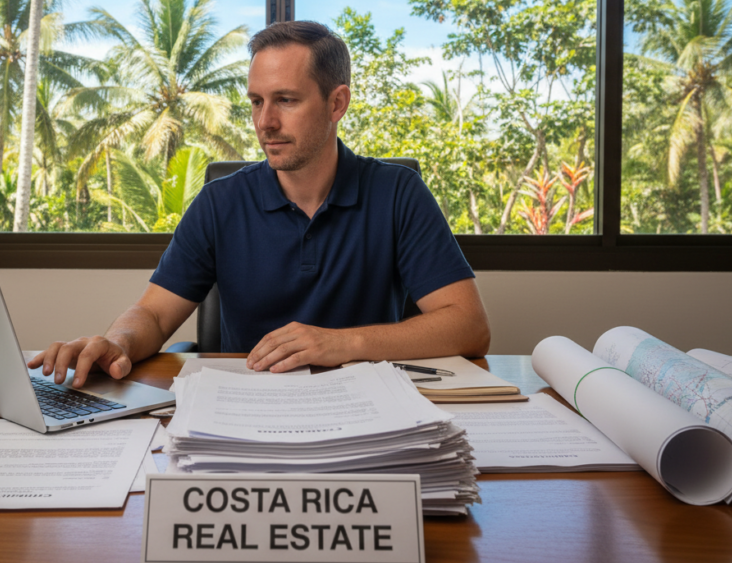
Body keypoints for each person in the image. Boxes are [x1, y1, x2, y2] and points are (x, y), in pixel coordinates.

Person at [29, 21, 490, 387]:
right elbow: (152, 313)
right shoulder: (220, 201)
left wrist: (341, 343)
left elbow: (468, 326)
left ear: (337, 103)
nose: (265, 122)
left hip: (367, 404)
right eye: (255, 102)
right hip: (244, 402)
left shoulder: (398, 193)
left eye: (285, 100)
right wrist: (116, 342)